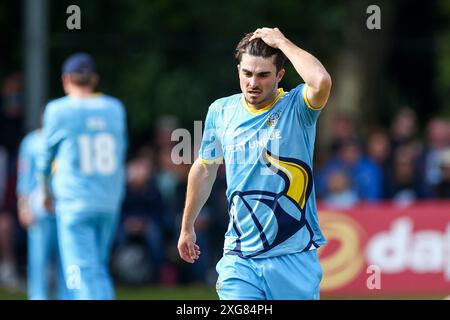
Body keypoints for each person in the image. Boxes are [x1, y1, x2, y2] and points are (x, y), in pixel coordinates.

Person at [178, 27, 332, 300]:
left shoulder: (297, 107)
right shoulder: (221, 110)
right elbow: (205, 167)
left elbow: (321, 80)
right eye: (247, 73)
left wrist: (282, 42)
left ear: (280, 75)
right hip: (240, 258)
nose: (253, 82)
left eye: (263, 75)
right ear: (238, 69)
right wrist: (187, 225)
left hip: (293, 256)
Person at [37, 53, 128, 299]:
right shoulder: (114, 108)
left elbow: (44, 158)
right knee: (98, 269)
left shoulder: (58, 109)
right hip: (109, 201)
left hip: (75, 201)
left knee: (80, 272)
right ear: (94, 79)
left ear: (66, 79)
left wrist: (44, 190)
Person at [17, 127, 67, 299]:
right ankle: (38, 296)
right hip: (39, 209)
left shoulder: (66, 138)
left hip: (65, 210)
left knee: (66, 261)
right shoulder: (31, 142)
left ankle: (66, 296)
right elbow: (24, 177)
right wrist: (23, 206)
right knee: (38, 261)